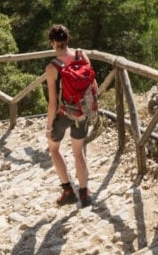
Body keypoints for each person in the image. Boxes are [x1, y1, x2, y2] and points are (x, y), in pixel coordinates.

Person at [45, 23, 95, 207]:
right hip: (82, 111)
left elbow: (52, 103)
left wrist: (49, 126)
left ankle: (67, 191)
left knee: (54, 148)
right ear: (68, 39)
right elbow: (93, 85)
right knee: (78, 152)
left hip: (62, 113)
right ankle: (84, 193)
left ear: (52, 43)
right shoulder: (82, 56)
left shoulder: (52, 68)